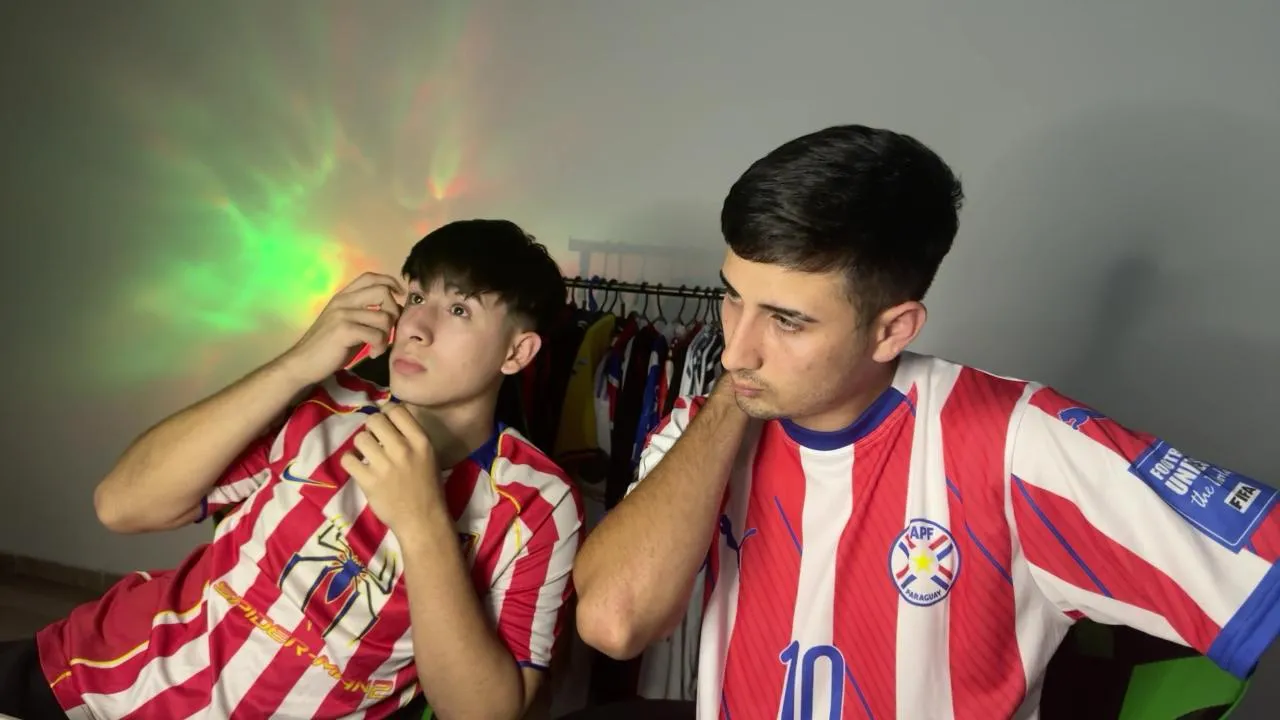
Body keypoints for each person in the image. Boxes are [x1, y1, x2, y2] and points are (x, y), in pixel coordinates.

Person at [572, 125, 1280, 718]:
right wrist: (738, 392)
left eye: (786, 320)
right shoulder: (706, 426)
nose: (734, 348)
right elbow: (611, 621)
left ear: (893, 329)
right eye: (733, 298)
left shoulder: (1018, 441)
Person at [0, 219, 584, 719]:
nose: (416, 327)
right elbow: (121, 506)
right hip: (94, 679)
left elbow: (482, 713)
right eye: (414, 298)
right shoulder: (328, 405)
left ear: (517, 353)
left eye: (458, 309)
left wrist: (423, 523)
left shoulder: (538, 503)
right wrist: (298, 362)